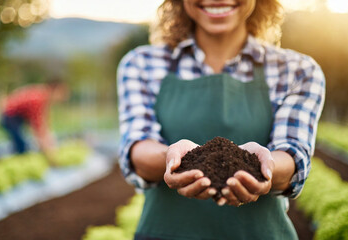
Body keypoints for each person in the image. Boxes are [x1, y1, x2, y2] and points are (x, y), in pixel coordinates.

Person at [117, 0, 325, 239]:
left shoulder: (297, 71)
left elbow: (293, 156)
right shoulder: (142, 64)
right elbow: (138, 149)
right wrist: (172, 158)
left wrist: (264, 166)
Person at [1, 77, 69, 164]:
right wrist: (48, 150)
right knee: (21, 146)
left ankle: (21, 161)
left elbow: (43, 123)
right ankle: (21, 165)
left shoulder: (42, 95)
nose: (62, 98)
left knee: (22, 144)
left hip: (16, 116)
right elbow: (38, 127)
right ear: (55, 89)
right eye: (61, 94)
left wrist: (48, 143)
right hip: (9, 115)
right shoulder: (38, 98)